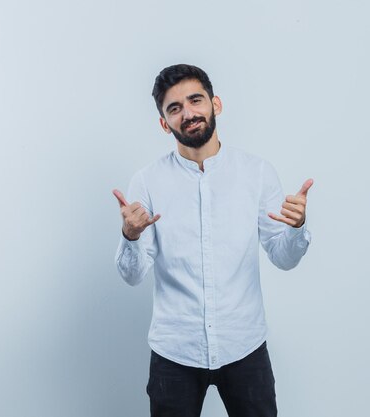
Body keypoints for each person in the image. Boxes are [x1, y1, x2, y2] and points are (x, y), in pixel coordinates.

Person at [113, 64, 312, 417]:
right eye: (175, 108)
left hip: (244, 346)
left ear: (215, 104)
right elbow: (133, 274)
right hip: (175, 353)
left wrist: (296, 229)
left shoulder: (257, 172)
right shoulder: (147, 182)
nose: (188, 113)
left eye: (195, 100)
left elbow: (283, 258)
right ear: (164, 123)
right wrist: (130, 236)